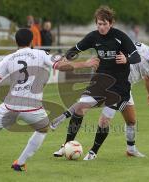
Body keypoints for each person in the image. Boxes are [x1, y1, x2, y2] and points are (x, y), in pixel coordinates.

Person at [0, 28, 99, 172]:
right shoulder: (41, 54)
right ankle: (20, 163)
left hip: (10, 105)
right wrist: (85, 63)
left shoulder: (8, 58)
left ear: (16, 42)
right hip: (32, 107)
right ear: (32, 40)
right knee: (42, 129)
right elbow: (61, 66)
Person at [51, 41, 149, 160]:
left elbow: (148, 79)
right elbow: (117, 46)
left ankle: (131, 150)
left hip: (125, 90)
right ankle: (70, 146)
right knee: (92, 111)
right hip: (111, 81)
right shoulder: (140, 48)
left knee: (131, 121)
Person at [51, 6, 141, 160]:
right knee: (79, 109)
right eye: (98, 24)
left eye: (104, 24)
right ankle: (66, 145)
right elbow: (76, 49)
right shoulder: (93, 37)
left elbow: (136, 57)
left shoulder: (120, 37)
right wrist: (65, 58)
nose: (101, 27)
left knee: (105, 120)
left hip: (118, 86)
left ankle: (93, 152)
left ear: (111, 23)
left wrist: (127, 59)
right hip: (100, 81)